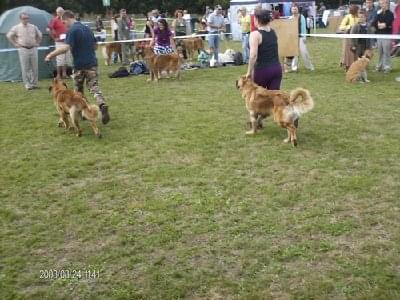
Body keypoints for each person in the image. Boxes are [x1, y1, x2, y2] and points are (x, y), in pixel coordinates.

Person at [44, 10, 110, 125]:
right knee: (94, 87)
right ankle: (102, 105)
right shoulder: (87, 28)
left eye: (64, 23)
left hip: (79, 65)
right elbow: (95, 46)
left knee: (77, 92)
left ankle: (80, 114)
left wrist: (50, 55)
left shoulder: (72, 30)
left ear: (68, 19)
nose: (64, 25)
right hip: (92, 63)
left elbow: (65, 48)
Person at [246, 9, 282, 90]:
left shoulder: (255, 34)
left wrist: (249, 72)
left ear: (257, 19)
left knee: (258, 100)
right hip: (276, 68)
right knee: (274, 99)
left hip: (262, 70)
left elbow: (253, 55)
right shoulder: (273, 32)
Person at [7, 12, 42, 90]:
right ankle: (28, 85)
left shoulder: (33, 27)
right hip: (23, 49)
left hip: (33, 48)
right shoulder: (16, 27)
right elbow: (9, 36)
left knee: (34, 67)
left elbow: (40, 35)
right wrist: (15, 44)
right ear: (20, 19)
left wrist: (38, 43)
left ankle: (34, 84)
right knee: (25, 67)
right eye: (24, 18)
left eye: (27, 18)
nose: (26, 20)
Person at [47, 7, 72, 80]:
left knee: (66, 58)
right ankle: (58, 75)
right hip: (59, 42)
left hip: (67, 42)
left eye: (62, 12)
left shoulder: (66, 20)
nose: (61, 13)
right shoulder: (54, 20)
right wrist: (54, 38)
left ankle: (64, 74)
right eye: (59, 12)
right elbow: (48, 29)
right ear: (57, 13)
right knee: (60, 59)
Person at [290, 5, 314, 71]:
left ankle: (309, 66)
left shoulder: (302, 17)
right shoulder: (290, 18)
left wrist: (304, 37)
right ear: (291, 10)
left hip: (301, 37)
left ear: (298, 10)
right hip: (293, 38)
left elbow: (303, 27)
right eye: (293, 9)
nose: (294, 10)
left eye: (295, 9)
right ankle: (294, 67)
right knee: (294, 53)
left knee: (304, 52)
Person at [373, 0, 394, 73]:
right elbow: (375, 23)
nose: (381, 5)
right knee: (380, 52)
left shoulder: (390, 14)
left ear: (387, 4)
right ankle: (379, 66)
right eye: (380, 4)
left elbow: (386, 24)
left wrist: (381, 25)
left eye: (382, 3)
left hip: (387, 35)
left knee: (386, 52)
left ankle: (387, 67)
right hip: (379, 35)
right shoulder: (379, 13)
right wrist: (380, 25)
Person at [339, 5, 359, 71]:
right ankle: (347, 66)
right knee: (348, 53)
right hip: (348, 38)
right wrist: (349, 26)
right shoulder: (347, 17)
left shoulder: (359, 17)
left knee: (355, 52)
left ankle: (356, 66)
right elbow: (341, 27)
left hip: (357, 39)